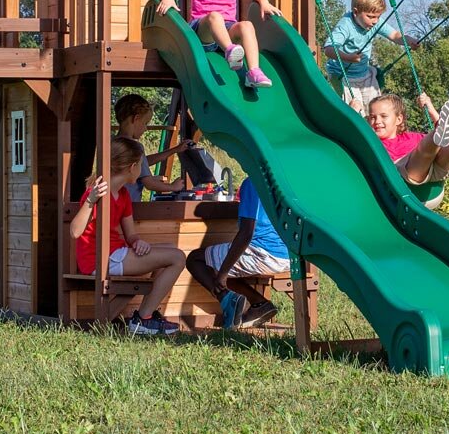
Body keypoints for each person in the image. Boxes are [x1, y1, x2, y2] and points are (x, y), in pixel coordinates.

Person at [70, 137, 185, 336]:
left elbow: (130, 233)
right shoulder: (96, 193)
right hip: (99, 260)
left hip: (116, 253)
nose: (141, 170)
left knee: (169, 248)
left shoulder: (122, 195)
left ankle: (146, 315)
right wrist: (90, 200)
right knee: (177, 257)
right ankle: (143, 319)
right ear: (132, 167)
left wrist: (137, 242)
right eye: (141, 165)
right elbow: (75, 231)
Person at [186, 177, 290, 329]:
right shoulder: (283, 181)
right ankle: (258, 304)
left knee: (195, 260)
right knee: (222, 261)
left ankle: (227, 301)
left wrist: (223, 274)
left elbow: (246, 233)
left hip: (264, 253)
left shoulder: (253, 182)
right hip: (289, 256)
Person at [324, 0, 419, 113]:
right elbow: (329, 49)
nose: (375, 21)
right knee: (356, 112)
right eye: (370, 17)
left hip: (363, 74)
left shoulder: (375, 23)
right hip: (343, 75)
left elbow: (395, 35)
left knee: (375, 110)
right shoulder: (346, 25)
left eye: (378, 17)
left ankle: (375, 132)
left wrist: (409, 41)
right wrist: (348, 57)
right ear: (356, 11)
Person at [113, 93, 192, 201]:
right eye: (145, 123)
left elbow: (143, 162)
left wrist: (174, 150)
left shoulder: (112, 143)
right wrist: (173, 186)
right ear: (136, 118)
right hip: (130, 206)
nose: (145, 129)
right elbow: (149, 184)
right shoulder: (135, 147)